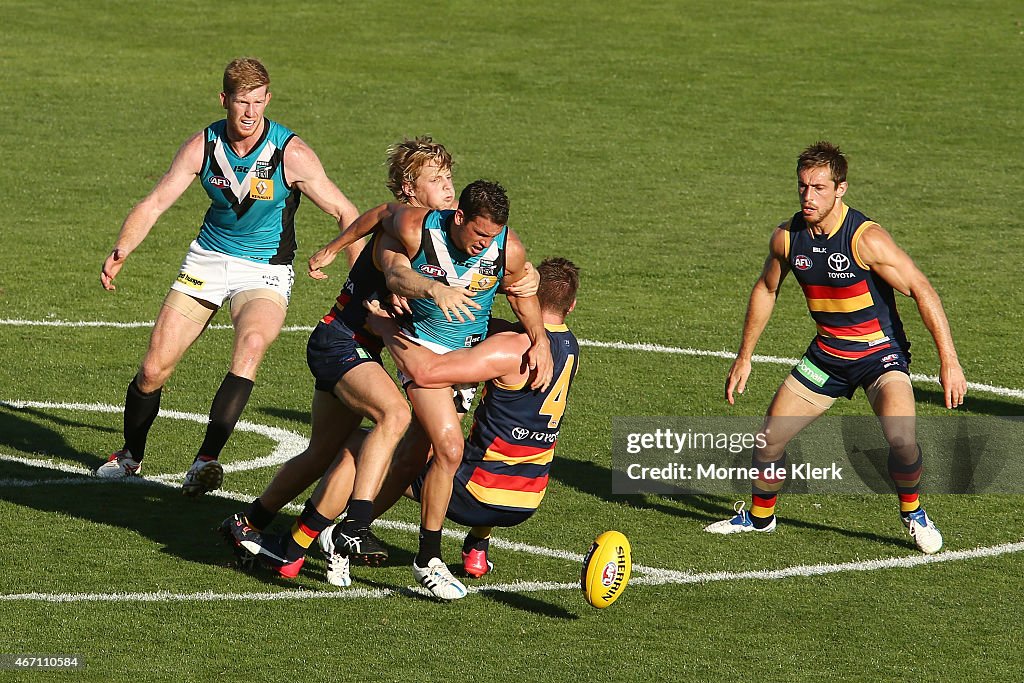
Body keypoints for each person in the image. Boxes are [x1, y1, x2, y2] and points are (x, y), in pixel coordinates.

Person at [220, 144, 540, 574]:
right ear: (412, 190)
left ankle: (253, 524)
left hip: (364, 348)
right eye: (437, 182)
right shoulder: (407, 230)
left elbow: (387, 221)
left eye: (449, 181)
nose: (448, 190)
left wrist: (514, 280)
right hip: (342, 339)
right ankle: (355, 525)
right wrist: (419, 288)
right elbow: (396, 268)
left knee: (326, 452)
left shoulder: (432, 234)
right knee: (393, 415)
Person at [237, 258, 580, 597]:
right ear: (572, 306)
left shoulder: (511, 348)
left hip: (476, 494)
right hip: (526, 498)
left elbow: (428, 372)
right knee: (463, 440)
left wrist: (387, 328)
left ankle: (305, 544)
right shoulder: (570, 348)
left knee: (370, 447)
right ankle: (476, 547)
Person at [96, 57, 360, 496]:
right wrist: (122, 249)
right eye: (242, 102)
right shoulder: (202, 146)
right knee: (153, 369)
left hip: (265, 271)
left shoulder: (289, 153)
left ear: (268, 100)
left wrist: (354, 275)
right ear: (224, 100)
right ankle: (129, 456)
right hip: (206, 261)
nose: (251, 112)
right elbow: (156, 201)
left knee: (252, 345)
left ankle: (205, 461)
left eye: (259, 102)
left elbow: (345, 212)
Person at [706, 141, 966, 554]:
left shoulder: (867, 240)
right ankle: (760, 518)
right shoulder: (788, 238)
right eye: (803, 187)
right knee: (769, 441)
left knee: (901, 440)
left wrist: (949, 362)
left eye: (819, 188)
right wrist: (744, 355)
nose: (809, 197)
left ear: (840, 189)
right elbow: (767, 288)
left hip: (879, 356)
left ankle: (913, 513)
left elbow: (921, 289)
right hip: (827, 356)